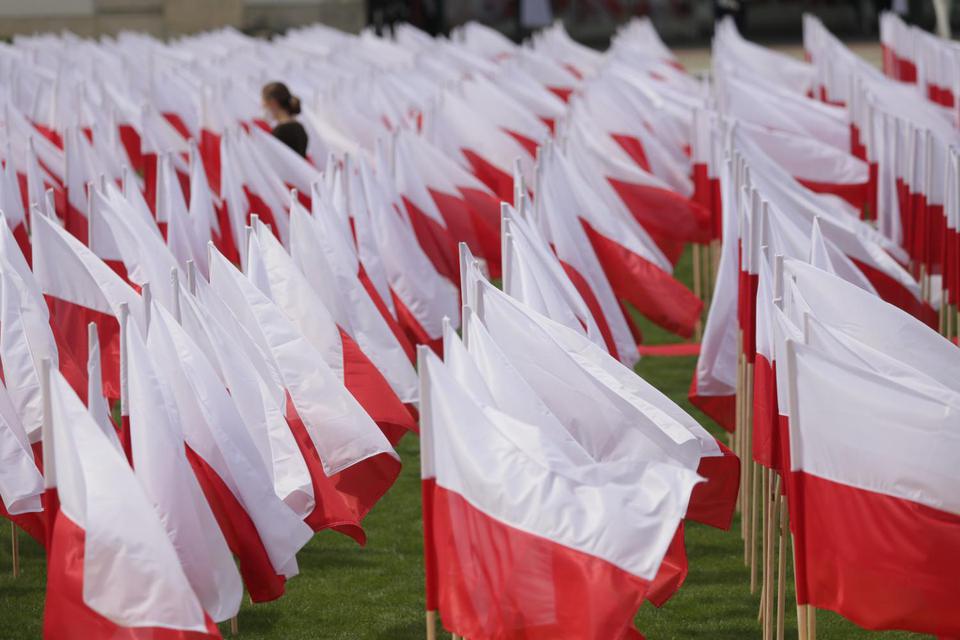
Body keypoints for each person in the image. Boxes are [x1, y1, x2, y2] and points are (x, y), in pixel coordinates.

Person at [261, 82, 308, 157]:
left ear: (273, 103)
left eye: (264, 103)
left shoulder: (281, 131)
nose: (263, 107)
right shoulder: (299, 127)